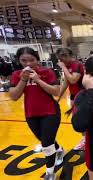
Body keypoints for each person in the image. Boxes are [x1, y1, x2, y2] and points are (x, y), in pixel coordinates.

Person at [9, 47, 64, 180]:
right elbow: (14, 96)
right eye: (24, 60)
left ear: (37, 59)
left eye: (32, 60)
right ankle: (60, 149)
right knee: (45, 140)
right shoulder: (17, 75)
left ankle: (50, 173)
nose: (28, 64)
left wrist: (38, 79)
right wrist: (23, 80)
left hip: (50, 112)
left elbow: (56, 91)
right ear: (19, 61)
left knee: (46, 144)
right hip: (31, 114)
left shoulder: (47, 72)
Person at [56, 48, 85, 151]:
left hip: (82, 95)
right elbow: (66, 82)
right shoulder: (67, 66)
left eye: (63, 57)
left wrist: (63, 67)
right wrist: (58, 97)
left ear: (69, 55)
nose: (61, 60)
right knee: (77, 119)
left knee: (81, 119)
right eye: (60, 58)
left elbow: (73, 80)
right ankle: (85, 139)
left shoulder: (76, 65)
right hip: (73, 96)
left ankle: (86, 140)